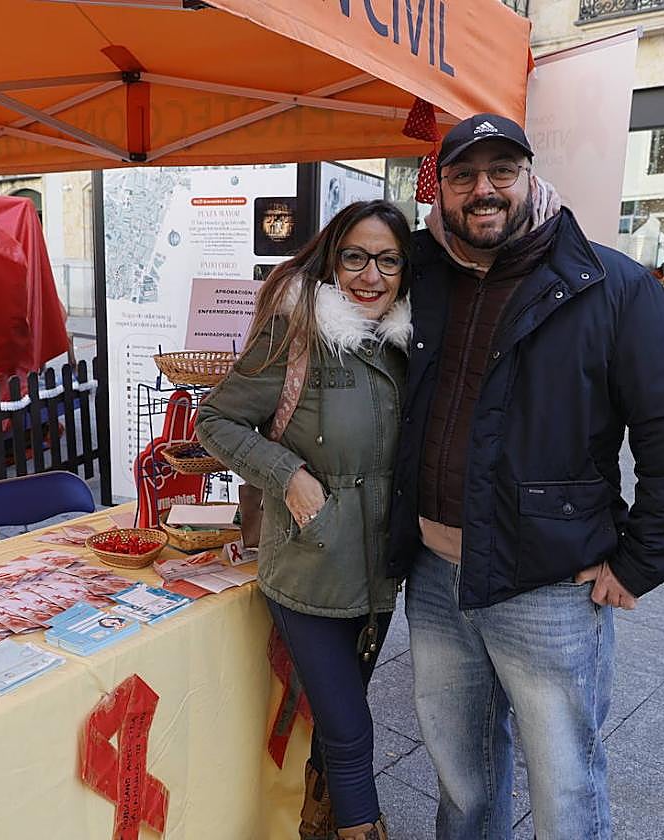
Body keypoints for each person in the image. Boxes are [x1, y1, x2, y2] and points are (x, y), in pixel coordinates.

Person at [388, 113, 664, 840]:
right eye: (466, 175)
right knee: (462, 783)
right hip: (436, 579)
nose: (485, 190)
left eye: (502, 171)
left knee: (565, 791)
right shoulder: (423, 278)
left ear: (530, 177)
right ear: (441, 189)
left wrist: (642, 561)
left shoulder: (611, 284)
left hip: (548, 586)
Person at [197, 200, 413, 840]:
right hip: (310, 568)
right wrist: (285, 474)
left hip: (379, 573)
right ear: (331, 261)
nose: (370, 275)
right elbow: (216, 419)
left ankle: (314, 821)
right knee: (349, 725)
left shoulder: (406, 344)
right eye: (355, 256)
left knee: (338, 721)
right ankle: (360, 828)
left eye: (388, 261)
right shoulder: (295, 332)